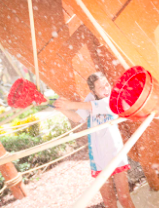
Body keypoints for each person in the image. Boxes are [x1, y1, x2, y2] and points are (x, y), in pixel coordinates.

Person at [54, 72, 135, 208]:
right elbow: (76, 118)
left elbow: (91, 106)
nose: (106, 89)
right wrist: (62, 108)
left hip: (116, 154)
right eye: (101, 88)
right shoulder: (91, 98)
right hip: (98, 158)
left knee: (124, 198)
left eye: (107, 85)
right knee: (109, 201)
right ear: (93, 91)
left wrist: (69, 104)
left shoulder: (112, 99)